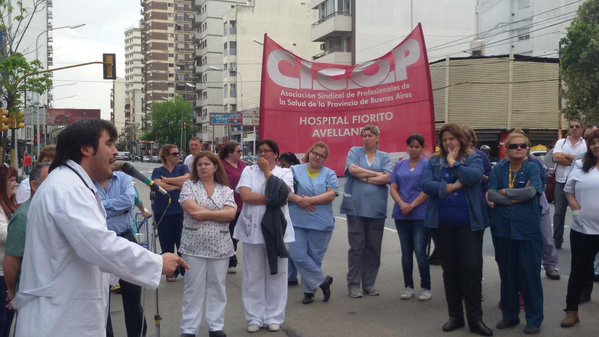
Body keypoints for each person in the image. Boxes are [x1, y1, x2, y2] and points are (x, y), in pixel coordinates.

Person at [11, 119, 186, 337]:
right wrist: (157, 262)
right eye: (109, 144)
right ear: (86, 149)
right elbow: (99, 245)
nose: (115, 152)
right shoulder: (67, 189)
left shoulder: (72, 184)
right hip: (60, 320)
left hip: (68, 312)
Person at [422, 123, 492, 336]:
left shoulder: (474, 158)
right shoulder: (434, 161)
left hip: (469, 224)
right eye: (444, 140)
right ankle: (455, 316)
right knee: (450, 270)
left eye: (452, 138)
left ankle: (475, 319)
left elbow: (473, 177)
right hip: (442, 223)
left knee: (471, 269)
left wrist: (454, 163)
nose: (448, 143)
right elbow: (426, 185)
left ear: (461, 139)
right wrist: (449, 187)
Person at [233, 139, 294, 333]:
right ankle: (254, 317)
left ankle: (274, 316)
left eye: (267, 151)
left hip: (278, 231)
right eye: (260, 151)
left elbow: (284, 196)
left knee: (277, 274)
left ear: (276, 154)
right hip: (253, 230)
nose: (263, 154)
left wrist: (268, 173)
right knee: (253, 275)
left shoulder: (285, 172)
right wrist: (272, 199)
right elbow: (246, 196)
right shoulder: (249, 171)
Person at [488, 131, 543, 335]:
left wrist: (506, 193)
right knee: (508, 275)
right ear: (506, 149)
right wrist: (514, 197)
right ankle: (510, 316)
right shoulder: (498, 169)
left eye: (522, 146)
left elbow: (532, 191)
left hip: (527, 230)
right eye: (513, 146)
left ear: (528, 149)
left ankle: (534, 319)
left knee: (530, 277)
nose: (518, 149)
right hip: (503, 229)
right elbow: (491, 194)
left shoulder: (533, 167)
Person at [179, 152, 237, 337]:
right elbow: (191, 209)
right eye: (199, 164)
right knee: (193, 289)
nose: (203, 167)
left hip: (220, 247)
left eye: (207, 164)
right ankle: (189, 329)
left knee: (217, 287)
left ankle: (216, 326)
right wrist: (217, 213)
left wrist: (206, 214)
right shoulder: (189, 186)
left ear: (215, 167)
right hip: (193, 247)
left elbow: (231, 214)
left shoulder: (226, 190)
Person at [340, 125, 392, 298]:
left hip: (377, 209)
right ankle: (354, 284)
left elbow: (389, 177)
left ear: (377, 137)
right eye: (364, 135)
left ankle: (369, 284)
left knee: (373, 248)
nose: (366, 138)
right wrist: (375, 175)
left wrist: (366, 178)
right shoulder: (355, 151)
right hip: (355, 207)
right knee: (356, 248)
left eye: (370, 135)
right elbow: (352, 170)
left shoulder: (384, 157)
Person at [95, 170, 148, 337]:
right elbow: (89, 207)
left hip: (125, 237)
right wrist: (116, 208)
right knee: (102, 297)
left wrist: (102, 206)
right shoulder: (89, 180)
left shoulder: (124, 178)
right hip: (100, 242)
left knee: (132, 293)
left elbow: (128, 201)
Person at [288, 141, 338, 304]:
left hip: (321, 223)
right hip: (297, 221)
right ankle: (323, 280)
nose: (317, 157)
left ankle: (308, 292)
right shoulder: (294, 170)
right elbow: (285, 190)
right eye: (315, 153)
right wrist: (298, 200)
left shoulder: (329, 173)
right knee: (298, 255)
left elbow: (331, 195)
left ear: (325, 159)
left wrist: (308, 200)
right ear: (309, 152)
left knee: (315, 258)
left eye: (322, 155)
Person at [560, 129, 599, 328]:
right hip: (583, 230)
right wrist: (576, 211)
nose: (596, 145)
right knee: (578, 271)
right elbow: (568, 191)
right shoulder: (581, 166)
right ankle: (571, 311)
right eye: (593, 143)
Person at [3, 163, 50, 328]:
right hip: (30, 294)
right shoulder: (24, 216)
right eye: (48, 181)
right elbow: (11, 261)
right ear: (34, 186)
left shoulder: (52, 211)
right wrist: (12, 291)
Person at [390, 134, 431, 301]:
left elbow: (428, 189)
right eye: (411, 146)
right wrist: (401, 203)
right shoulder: (399, 165)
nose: (413, 149)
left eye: (417, 146)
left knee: (420, 251)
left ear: (422, 148)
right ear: (407, 148)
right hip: (401, 214)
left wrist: (412, 205)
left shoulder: (428, 165)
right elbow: (393, 187)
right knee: (406, 252)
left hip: (420, 214)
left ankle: (426, 287)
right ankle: (408, 286)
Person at [152, 144, 190, 281]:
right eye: (174, 154)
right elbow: (157, 185)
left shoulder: (182, 168)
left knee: (182, 242)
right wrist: (177, 186)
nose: (177, 156)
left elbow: (187, 180)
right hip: (163, 212)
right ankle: (171, 271)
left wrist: (167, 181)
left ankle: (184, 269)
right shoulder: (158, 170)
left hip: (180, 211)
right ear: (166, 156)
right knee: (166, 243)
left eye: (178, 153)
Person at [552, 119, 586, 249]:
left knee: (580, 211)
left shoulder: (586, 144)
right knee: (559, 212)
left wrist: (566, 157)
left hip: (579, 182)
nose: (574, 128)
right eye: (572, 126)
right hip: (561, 181)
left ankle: (583, 240)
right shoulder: (561, 142)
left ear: (582, 128)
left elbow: (586, 161)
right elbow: (555, 157)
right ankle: (557, 240)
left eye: (577, 126)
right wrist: (576, 159)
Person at [219, 142, 247, 274]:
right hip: (227, 203)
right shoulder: (220, 165)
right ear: (229, 152)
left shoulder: (244, 165)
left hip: (242, 203)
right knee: (228, 232)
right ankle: (230, 259)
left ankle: (230, 255)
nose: (241, 153)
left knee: (237, 233)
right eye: (238, 151)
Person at [277, 151, 301, 285]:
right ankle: (291, 275)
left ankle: (293, 274)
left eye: (284, 164)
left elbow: (289, 193)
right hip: (286, 212)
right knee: (288, 247)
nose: (281, 166)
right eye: (279, 164)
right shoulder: (281, 173)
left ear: (291, 164)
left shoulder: (293, 173)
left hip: (295, 213)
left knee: (294, 249)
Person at [0, 166, 18, 337]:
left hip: (10, 273)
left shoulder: (12, 205)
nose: (15, 183)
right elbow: (4, 234)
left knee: (8, 319)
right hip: (0, 273)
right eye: (11, 180)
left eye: (15, 179)